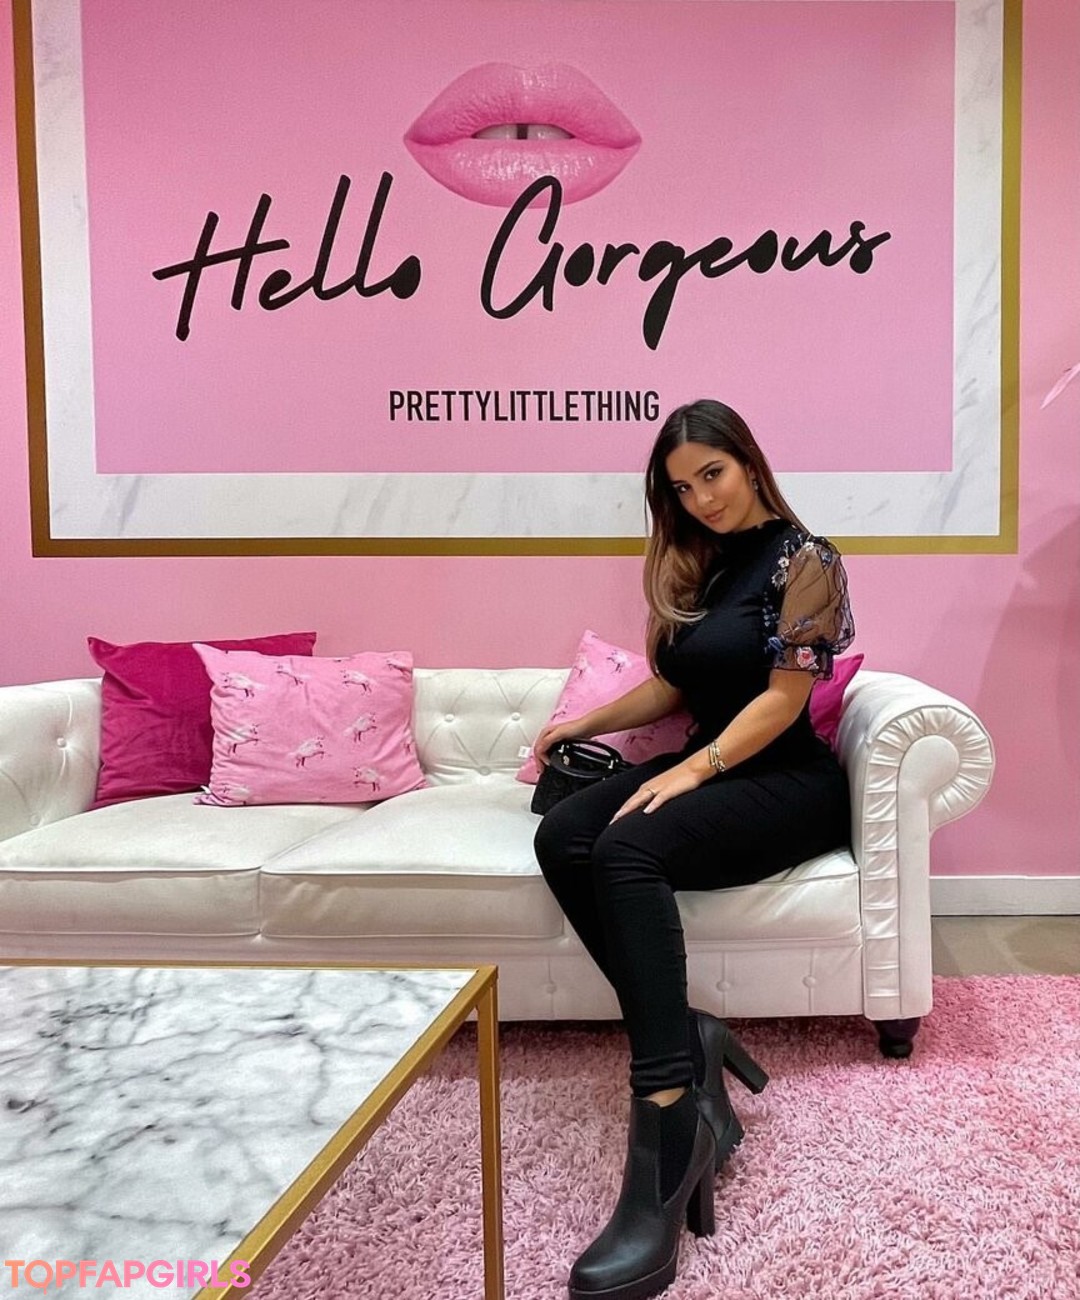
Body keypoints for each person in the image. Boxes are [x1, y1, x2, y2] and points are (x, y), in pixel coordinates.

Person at [532, 399, 855, 1300]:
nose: (702, 499)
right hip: (714, 766)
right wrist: (584, 722)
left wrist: (695, 769)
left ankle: (671, 1116)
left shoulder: (806, 559)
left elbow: (783, 700)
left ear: (748, 462)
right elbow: (675, 687)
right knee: (564, 836)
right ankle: (689, 1034)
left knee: (626, 851)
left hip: (786, 784)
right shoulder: (704, 565)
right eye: (681, 488)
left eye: (712, 474)